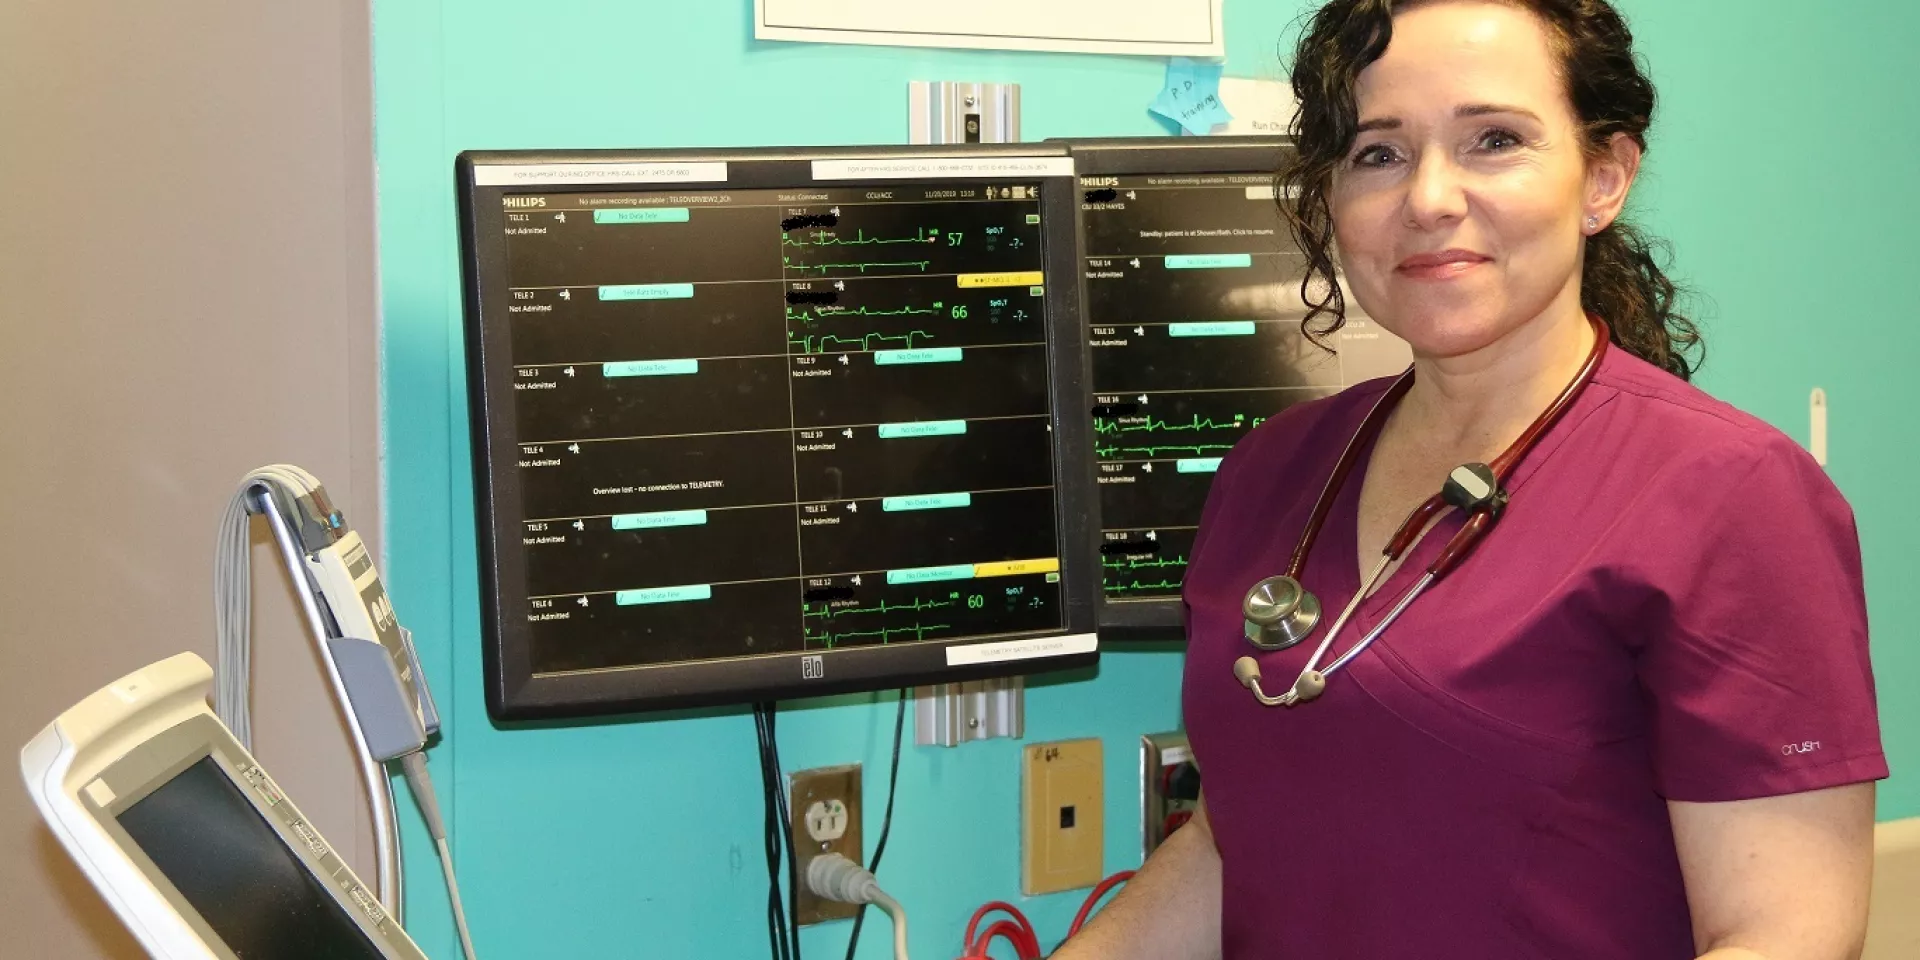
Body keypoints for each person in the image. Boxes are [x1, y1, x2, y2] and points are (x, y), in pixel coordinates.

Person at [1053, 1, 1886, 957]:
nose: (1429, 199)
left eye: (1493, 140)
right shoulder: (1272, 470)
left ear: (1604, 178)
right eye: (1378, 153)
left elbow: (1787, 933)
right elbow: (1230, 845)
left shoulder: (1731, 496)